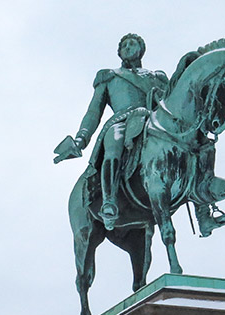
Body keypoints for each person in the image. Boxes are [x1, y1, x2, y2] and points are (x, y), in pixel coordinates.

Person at [58, 33, 167, 230]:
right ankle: (109, 201)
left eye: (132, 44)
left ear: (141, 49)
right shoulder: (109, 76)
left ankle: (203, 208)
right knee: (114, 143)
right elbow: (93, 112)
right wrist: (80, 139)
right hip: (122, 121)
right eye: (123, 45)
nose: (127, 47)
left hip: (152, 121)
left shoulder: (156, 77)